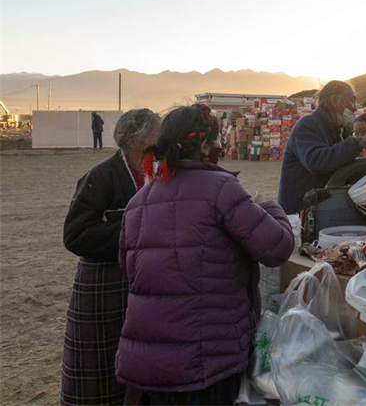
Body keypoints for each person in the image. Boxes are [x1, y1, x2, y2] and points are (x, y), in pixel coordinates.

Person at [115, 104, 294, 405]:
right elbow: (277, 247)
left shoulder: (138, 201)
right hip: (206, 364)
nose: (220, 147)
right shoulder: (221, 188)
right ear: (202, 144)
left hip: (147, 367)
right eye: (216, 140)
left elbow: (128, 269)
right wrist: (269, 207)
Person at [61, 108, 161, 406]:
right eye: (156, 131)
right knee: (102, 368)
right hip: (104, 288)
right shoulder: (101, 177)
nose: (161, 138)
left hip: (140, 285)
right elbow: (75, 235)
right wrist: (136, 226)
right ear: (133, 139)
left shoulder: (156, 171)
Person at [278, 81, 366, 215]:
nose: (354, 108)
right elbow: (316, 161)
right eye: (351, 100)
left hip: (318, 207)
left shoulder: (337, 129)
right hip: (299, 212)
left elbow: (341, 164)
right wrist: (360, 143)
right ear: (334, 101)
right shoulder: (308, 125)